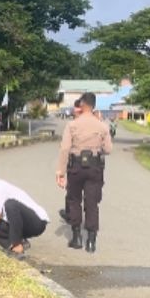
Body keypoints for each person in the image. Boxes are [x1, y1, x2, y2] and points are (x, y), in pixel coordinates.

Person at [55, 92, 113, 253]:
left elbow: (65, 148)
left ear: (81, 105)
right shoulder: (102, 126)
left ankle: (76, 237)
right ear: (94, 106)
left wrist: (60, 171)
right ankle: (91, 241)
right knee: (92, 202)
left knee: (74, 200)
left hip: (76, 166)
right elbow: (108, 149)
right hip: (94, 167)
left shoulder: (72, 125)